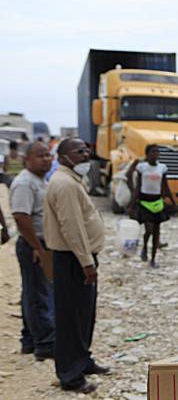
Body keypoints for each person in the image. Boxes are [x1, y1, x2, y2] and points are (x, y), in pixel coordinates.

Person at [43, 138, 109, 394]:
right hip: (73, 259)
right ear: (63, 155)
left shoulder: (72, 180)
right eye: (78, 151)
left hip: (79, 258)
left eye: (86, 150)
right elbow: (72, 228)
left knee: (84, 314)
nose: (85, 155)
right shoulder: (65, 184)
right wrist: (86, 262)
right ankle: (70, 376)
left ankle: (83, 360)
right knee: (71, 318)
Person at [10, 142, 55, 361]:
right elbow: (21, 216)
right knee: (39, 294)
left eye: (48, 155)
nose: (46, 159)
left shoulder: (40, 181)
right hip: (34, 245)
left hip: (41, 243)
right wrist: (37, 247)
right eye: (40, 156)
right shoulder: (25, 183)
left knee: (33, 291)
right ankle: (45, 344)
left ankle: (29, 339)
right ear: (27, 159)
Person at [129, 144, 175, 268]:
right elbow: (138, 186)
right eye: (152, 152)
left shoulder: (162, 168)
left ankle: (153, 258)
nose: (155, 154)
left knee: (156, 232)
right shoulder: (142, 168)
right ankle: (144, 247)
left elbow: (165, 186)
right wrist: (132, 205)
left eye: (157, 152)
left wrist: (172, 200)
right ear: (147, 154)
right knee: (148, 229)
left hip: (157, 202)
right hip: (144, 202)